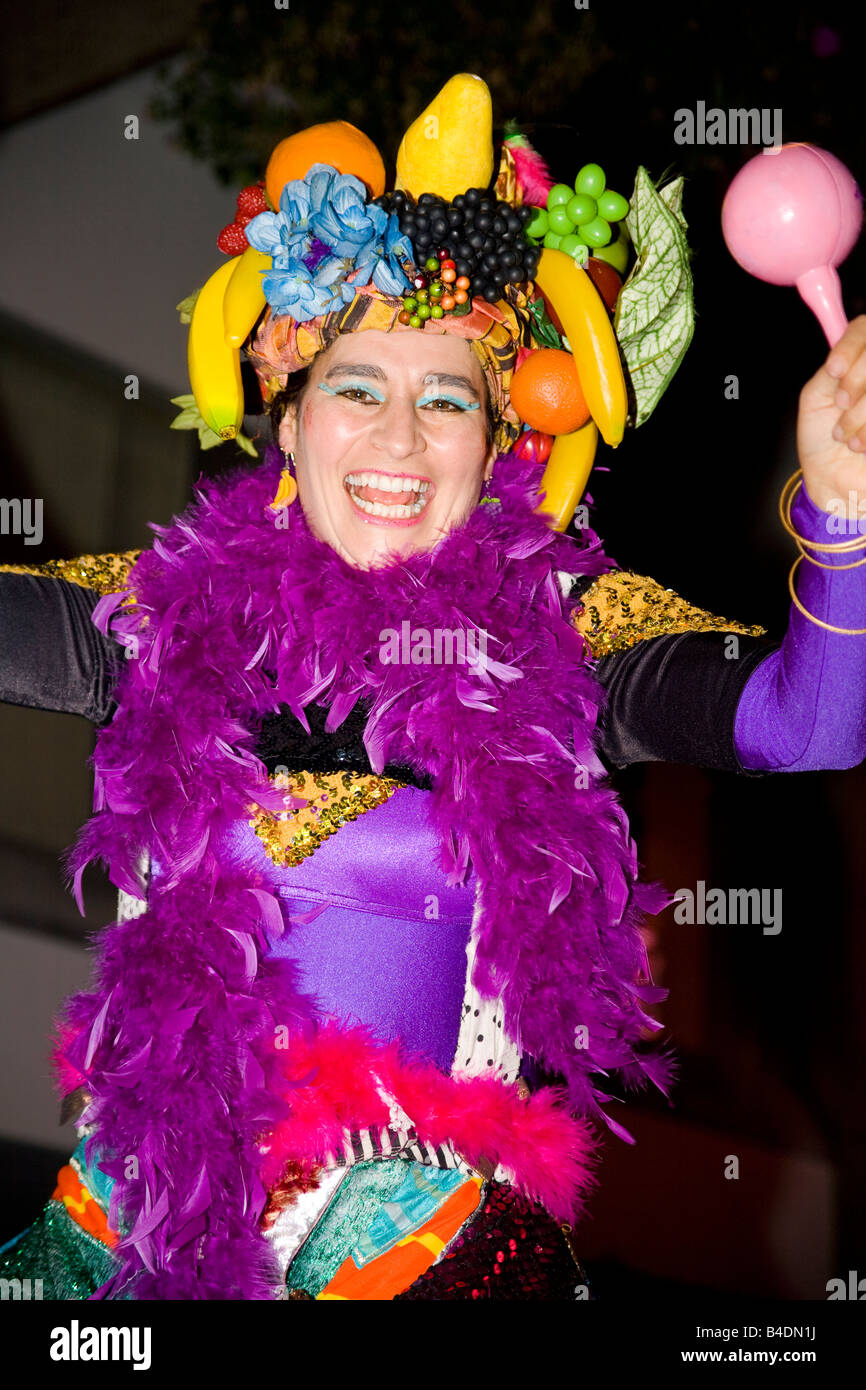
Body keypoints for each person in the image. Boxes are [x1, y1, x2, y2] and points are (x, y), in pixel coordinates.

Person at [1, 75, 865, 1302]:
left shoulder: (572, 635)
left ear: (497, 440)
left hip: (415, 1248)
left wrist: (842, 504)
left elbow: (812, 725)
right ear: (287, 423)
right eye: (357, 389)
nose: (400, 440)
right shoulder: (152, 610)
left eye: (446, 398)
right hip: (128, 1232)